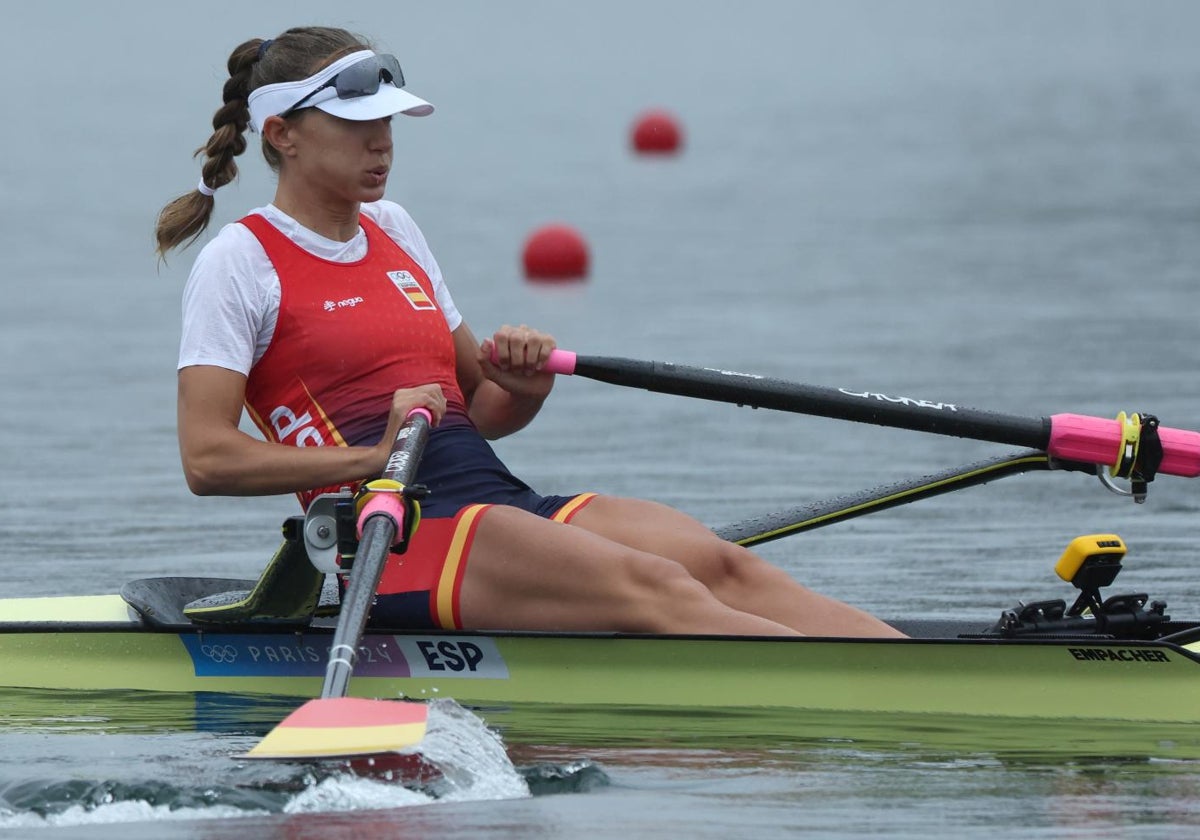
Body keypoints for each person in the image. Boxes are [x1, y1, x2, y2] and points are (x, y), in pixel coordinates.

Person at [155, 26, 903, 639]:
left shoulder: (395, 229)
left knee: (722, 566)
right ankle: (867, 702)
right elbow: (206, 458)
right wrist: (375, 455)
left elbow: (477, 407)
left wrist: (525, 389)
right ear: (282, 134)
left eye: (387, 122)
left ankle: (907, 670)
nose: (382, 143)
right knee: (657, 585)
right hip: (399, 541)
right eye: (357, 125)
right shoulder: (241, 263)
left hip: (498, 504)